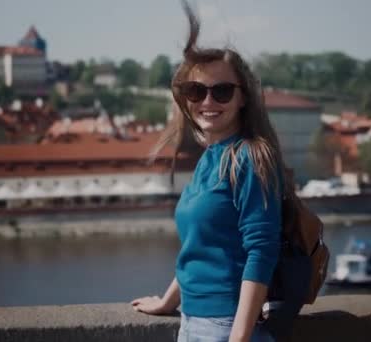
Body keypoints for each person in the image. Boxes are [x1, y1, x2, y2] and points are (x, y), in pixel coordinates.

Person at [131, 2, 295, 341]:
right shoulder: (211, 157)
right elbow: (201, 245)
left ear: (243, 98)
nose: (208, 101)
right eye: (196, 91)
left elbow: (261, 251)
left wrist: (238, 338)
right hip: (192, 322)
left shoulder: (250, 157)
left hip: (225, 326)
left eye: (221, 91)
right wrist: (168, 301)